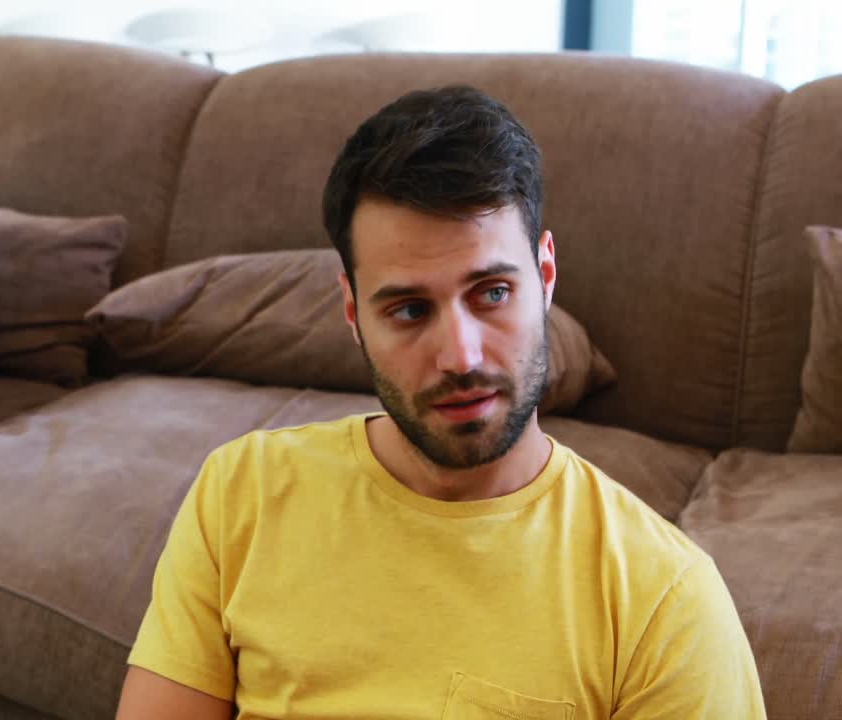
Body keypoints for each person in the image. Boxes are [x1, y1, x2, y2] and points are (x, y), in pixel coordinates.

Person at [115, 86, 766, 719]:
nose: (461, 355)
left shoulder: (665, 601)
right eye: (408, 309)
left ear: (543, 277)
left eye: (491, 294)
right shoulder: (241, 493)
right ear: (352, 311)